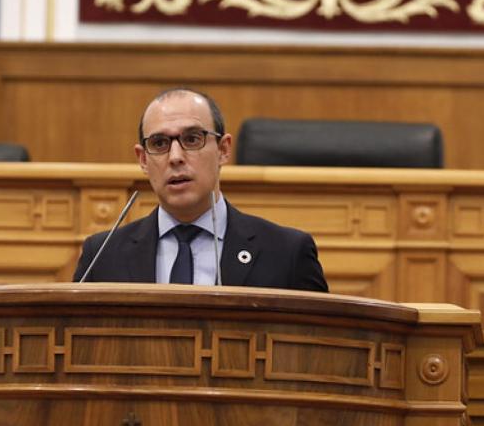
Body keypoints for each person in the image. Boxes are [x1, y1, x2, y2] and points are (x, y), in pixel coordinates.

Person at [74, 88, 329, 292]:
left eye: (192, 139)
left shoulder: (286, 253)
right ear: (143, 160)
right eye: (160, 143)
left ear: (223, 149)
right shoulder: (103, 256)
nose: (175, 157)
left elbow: (319, 351)